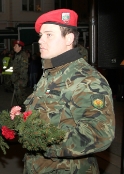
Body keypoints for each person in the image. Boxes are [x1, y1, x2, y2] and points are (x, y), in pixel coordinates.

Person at [23, 9, 115, 173]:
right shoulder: (51, 72)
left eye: (49, 35)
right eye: (40, 35)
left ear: (69, 38)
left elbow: (100, 134)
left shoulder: (87, 79)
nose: (41, 41)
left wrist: (41, 142)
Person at [11, 40, 29, 108]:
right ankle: (22, 108)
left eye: (15, 46)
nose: (14, 47)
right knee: (18, 96)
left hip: (20, 79)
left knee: (21, 95)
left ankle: (25, 109)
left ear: (20, 47)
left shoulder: (23, 55)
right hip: (16, 79)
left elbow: (24, 69)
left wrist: (20, 80)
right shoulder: (17, 55)